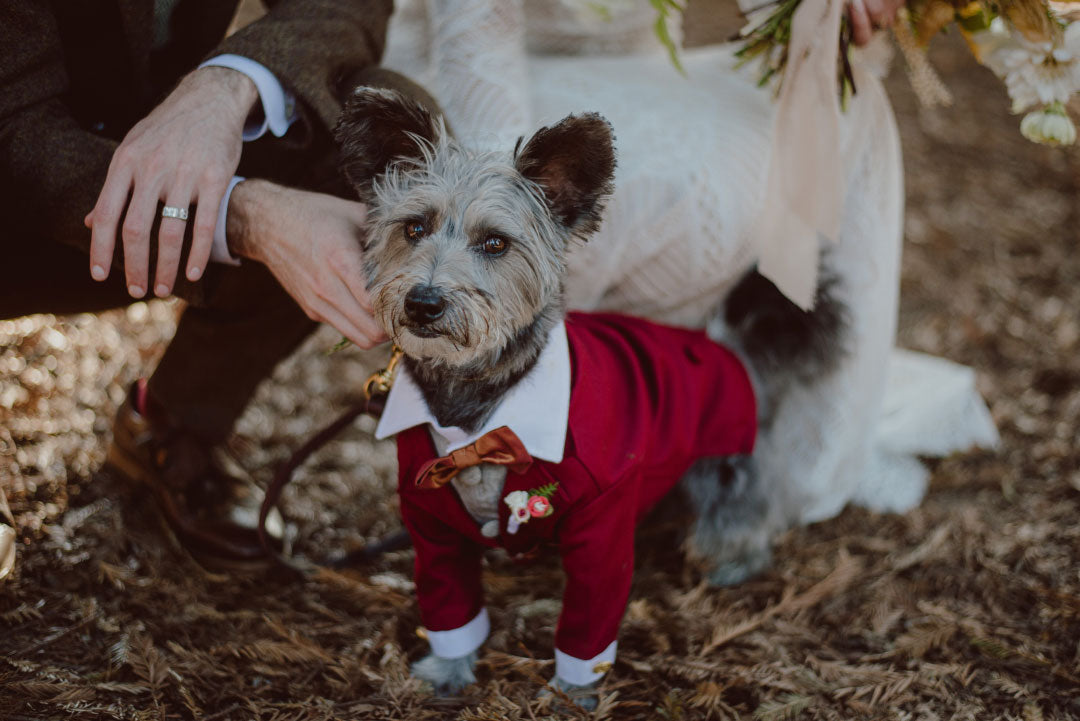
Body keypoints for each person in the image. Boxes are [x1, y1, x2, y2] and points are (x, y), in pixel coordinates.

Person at [378, 0, 999, 554]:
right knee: (681, 193)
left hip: (640, 66)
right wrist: (499, 193)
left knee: (838, 94)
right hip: (471, 69)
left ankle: (670, 446)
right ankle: (549, 433)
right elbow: (473, 34)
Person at [0, 0, 438, 570]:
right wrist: (250, 217)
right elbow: (13, 130)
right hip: (18, 193)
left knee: (382, 120)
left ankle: (171, 421)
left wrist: (222, 87)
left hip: (144, 148)